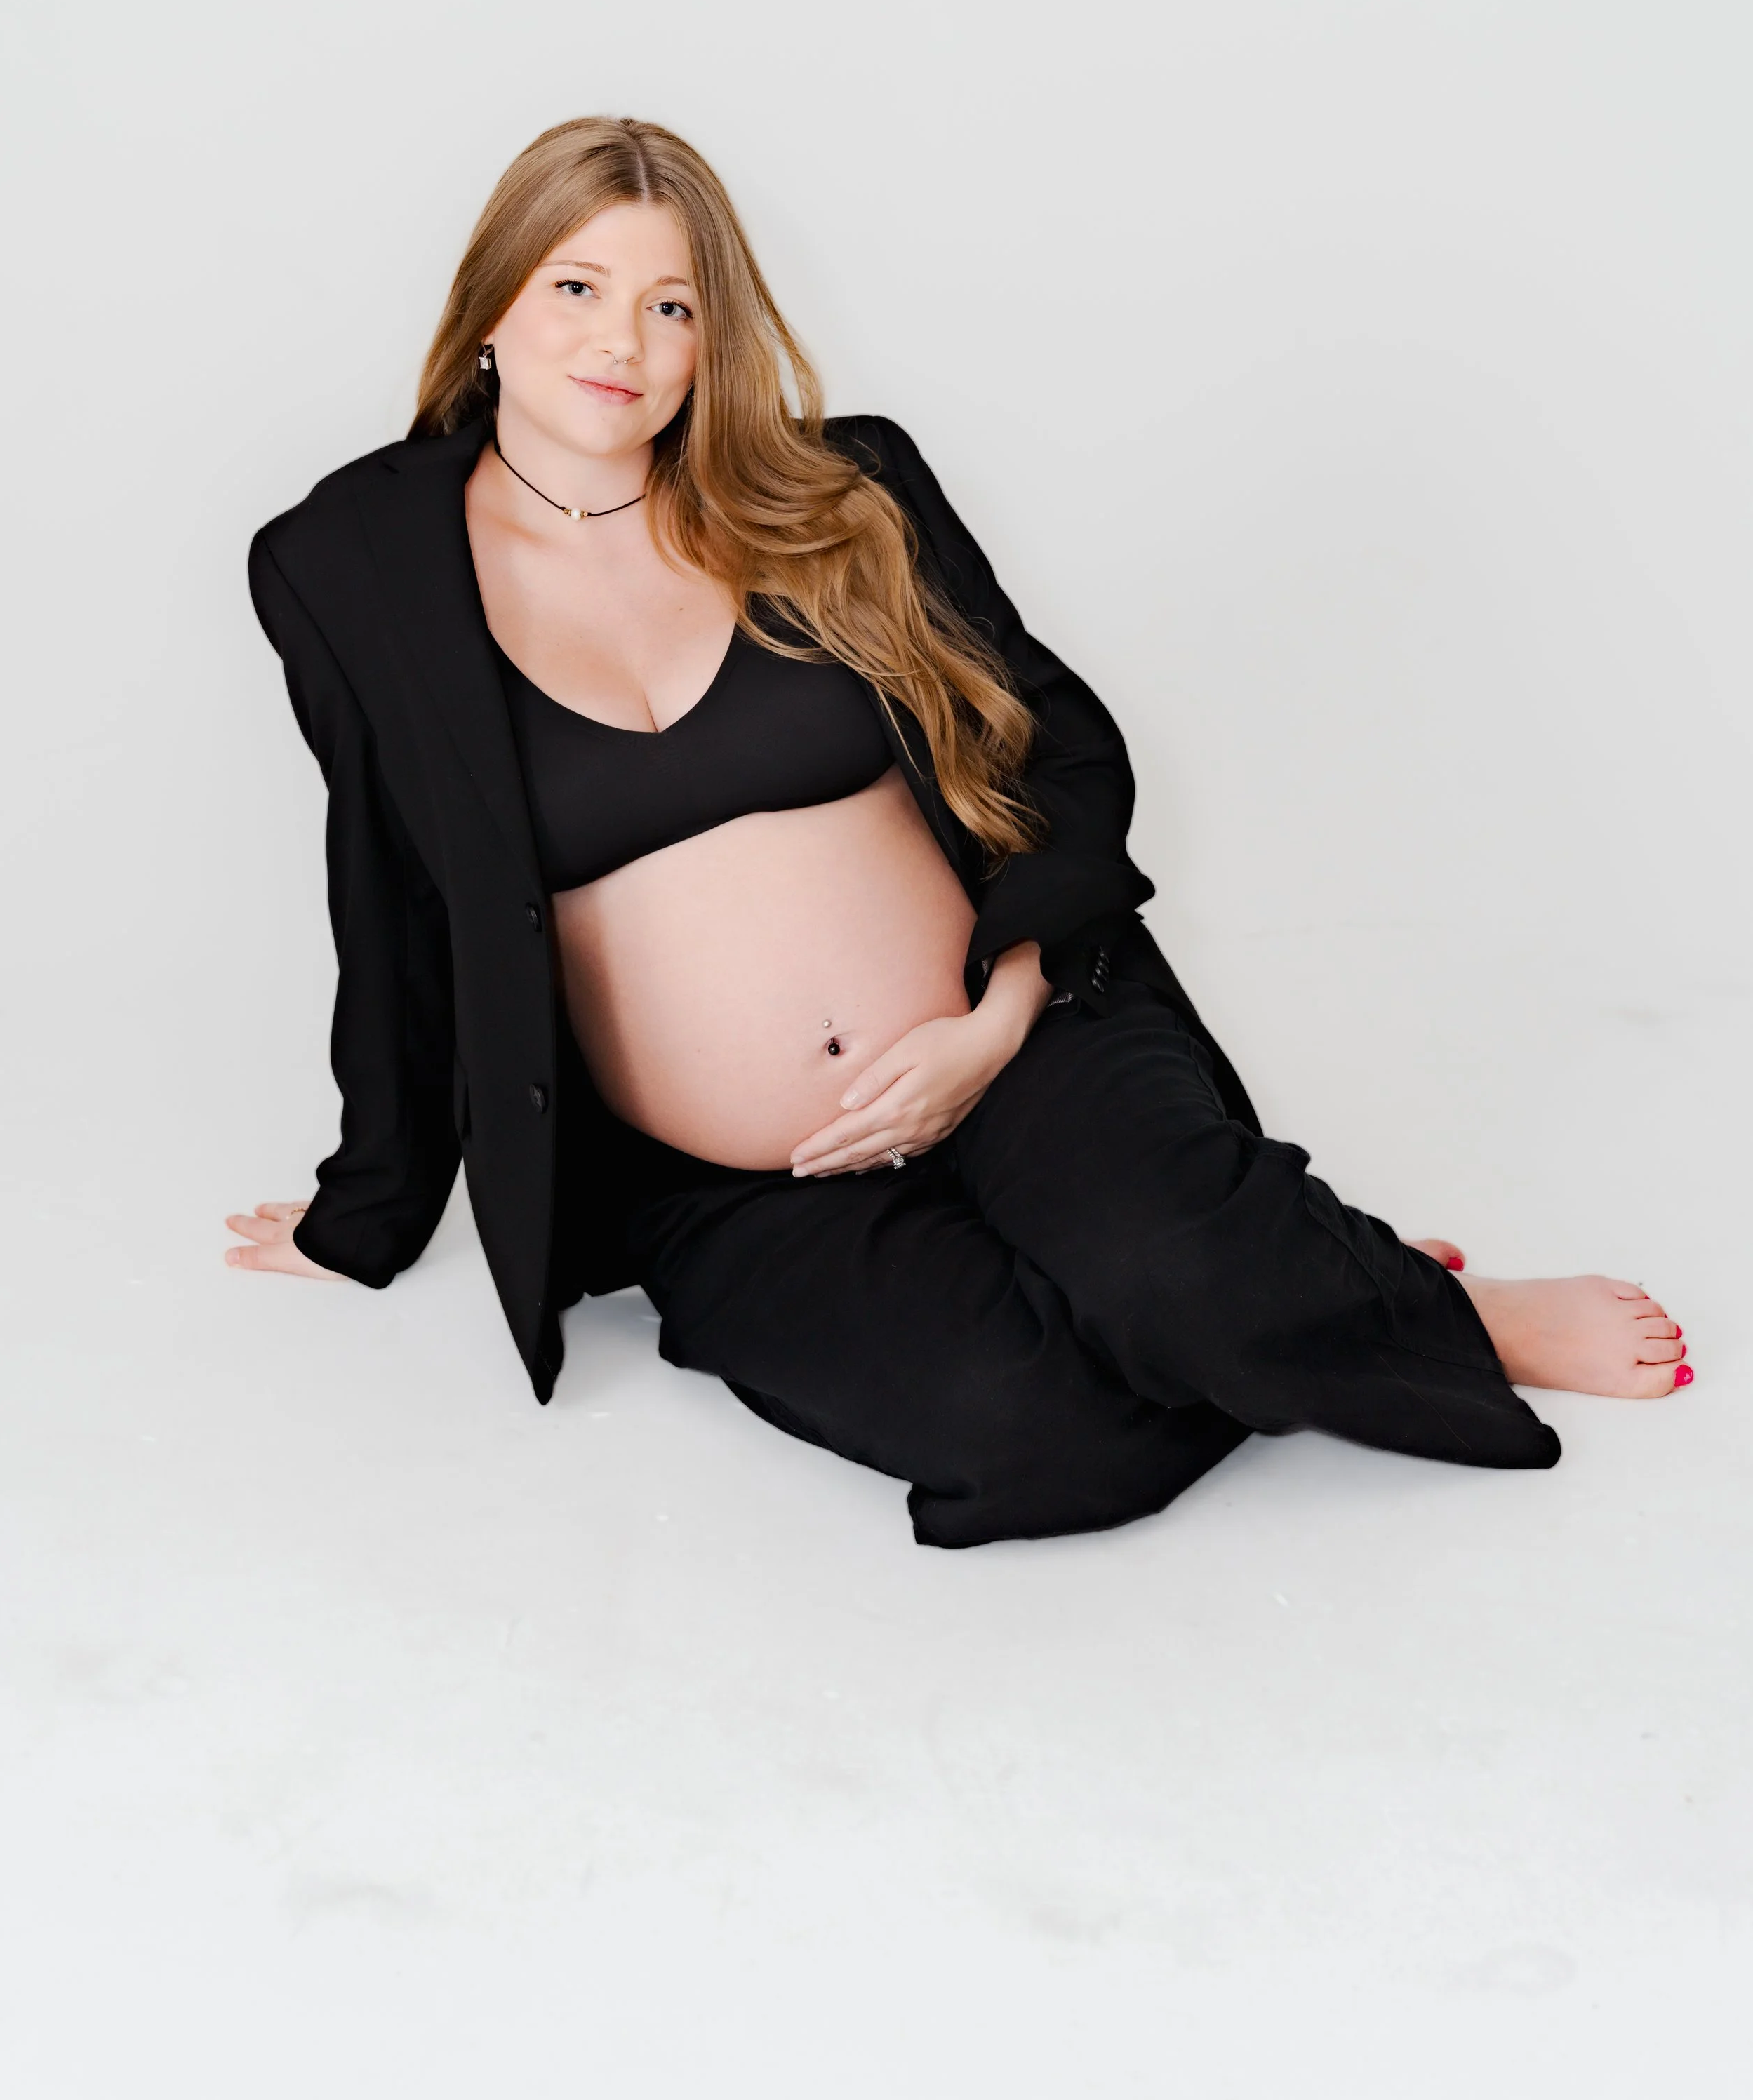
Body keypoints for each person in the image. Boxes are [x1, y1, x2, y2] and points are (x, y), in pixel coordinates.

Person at [228, 117, 1690, 1550]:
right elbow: (393, 899)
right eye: (577, 286)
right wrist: (369, 1212)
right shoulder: (352, 569)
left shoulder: (837, 494)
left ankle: (1409, 1312)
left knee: (1183, 1276)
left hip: (1015, 1041)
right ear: (492, 303)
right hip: (740, 1186)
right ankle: (1288, 1298)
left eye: (672, 305)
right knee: (1027, 1429)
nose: (623, 340)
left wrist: (996, 1019)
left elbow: (1056, 747)